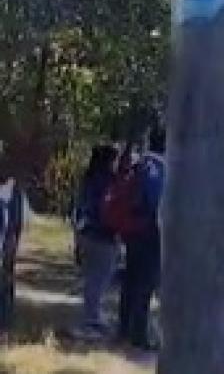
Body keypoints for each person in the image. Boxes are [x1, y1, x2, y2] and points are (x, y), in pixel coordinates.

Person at [117, 129, 164, 349]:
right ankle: (139, 334)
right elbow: (155, 201)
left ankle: (123, 328)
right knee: (145, 283)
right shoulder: (159, 167)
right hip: (149, 230)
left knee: (130, 281)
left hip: (132, 230)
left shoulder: (141, 163)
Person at [69, 145, 119, 341]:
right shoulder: (109, 181)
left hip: (85, 233)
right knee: (100, 279)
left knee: (92, 278)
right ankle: (91, 320)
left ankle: (92, 316)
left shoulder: (88, 179)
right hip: (103, 235)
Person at [0, 170, 27, 341]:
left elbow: (16, 225)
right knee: (5, 282)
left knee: (5, 282)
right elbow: (17, 225)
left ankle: (4, 326)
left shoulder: (14, 191)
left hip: (6, 242)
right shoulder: (14, 191)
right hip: (7, 241)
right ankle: (4, 325)